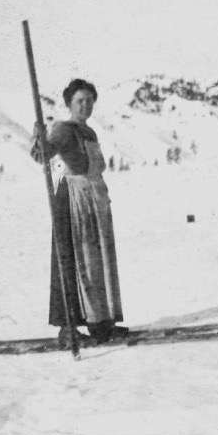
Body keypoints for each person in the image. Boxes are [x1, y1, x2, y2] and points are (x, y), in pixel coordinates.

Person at [32, 79, 125, 348]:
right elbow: (44, 154)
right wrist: (39, 136)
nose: (85, 105)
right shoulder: (63, 129)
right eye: (79, 101)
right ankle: (68, 327)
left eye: (89, 100)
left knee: (97, 261)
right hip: (74, 200)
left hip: (94, 198)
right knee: (74, 259)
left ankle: (100, 323)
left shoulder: (89, 132)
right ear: (69, 104)